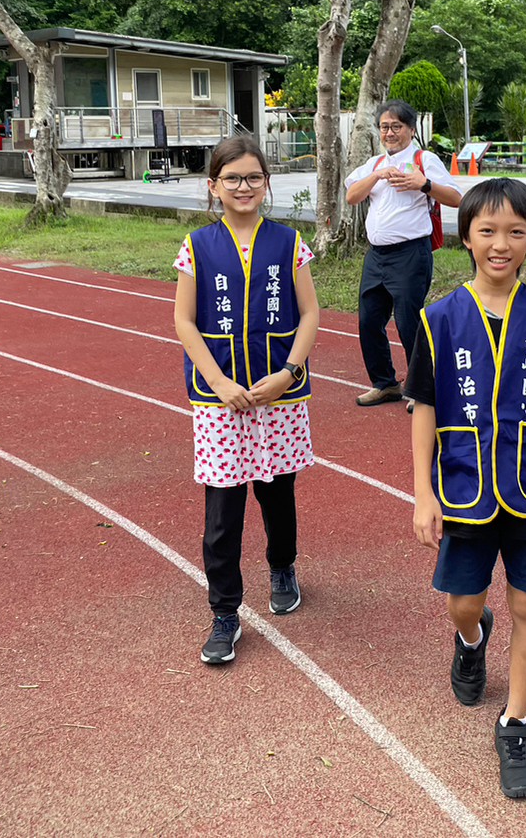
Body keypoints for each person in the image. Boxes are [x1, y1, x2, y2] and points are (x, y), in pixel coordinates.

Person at [408, 178, 526, 800]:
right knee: (464, 602)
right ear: (465, 238)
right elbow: (423, 409)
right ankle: (470, 638)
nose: (501, 243)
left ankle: (515, 722)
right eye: (487, 231)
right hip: (463, 486)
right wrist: (422, 492)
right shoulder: (438, 320)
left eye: (517, 231)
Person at [173, 137, 320, 665]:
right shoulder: (197, 246)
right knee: (223, 510)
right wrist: (217, 382)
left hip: (278, 396)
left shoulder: (289, 242)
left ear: (267, 184)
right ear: (213, 187)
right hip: (221, 402)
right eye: (232, 178)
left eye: (253, 177)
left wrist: (288, 372)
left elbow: (309, 315)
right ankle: (225, 612)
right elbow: (184, 322)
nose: (243, 186)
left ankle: (282, 566)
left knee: (278, 494)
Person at [344, 101, 462, 407]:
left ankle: (421, 387)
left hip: (411, 253)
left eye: (397, 126)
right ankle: (385, 383)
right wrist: (377, 176)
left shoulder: (425, 159)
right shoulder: (372, 165)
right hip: (376, 255)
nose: (390, 133)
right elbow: (352, 195)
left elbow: (456, 199)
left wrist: (423, 184)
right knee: (369, 320)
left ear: (411, 129)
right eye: (385, 127)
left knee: (409, 321)